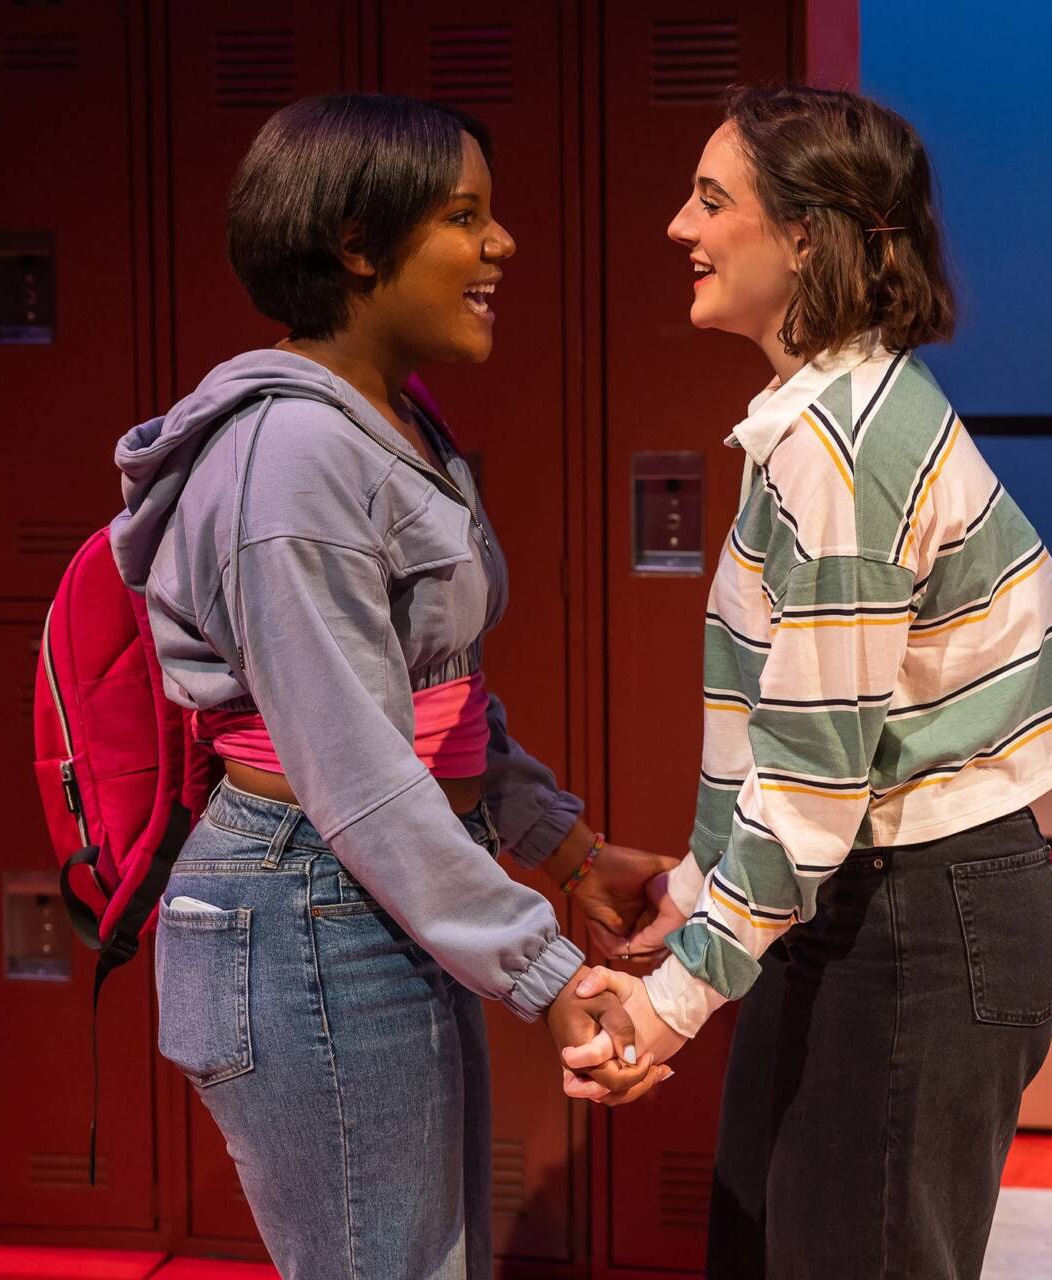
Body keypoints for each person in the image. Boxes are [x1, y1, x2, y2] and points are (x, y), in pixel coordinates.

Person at [109, 93, 664, 1279]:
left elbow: (434, 691)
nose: (502, 246)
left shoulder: (390, 421)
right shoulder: (292, 458)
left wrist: (563, 846)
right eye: (466, 217)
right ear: (359, 245)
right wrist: (546, 970)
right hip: (303, 893)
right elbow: (357, 771)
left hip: (353, 892)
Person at [562, 84, 1052, 1278]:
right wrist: (699, 896)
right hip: (866, 908)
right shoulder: (822, 421)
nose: (676, 228)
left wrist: (672, 1001)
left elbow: (813, 783)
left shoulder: (841, 453)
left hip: (920, 920)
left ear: (807, 233)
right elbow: (792, 744)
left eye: (712, 200)